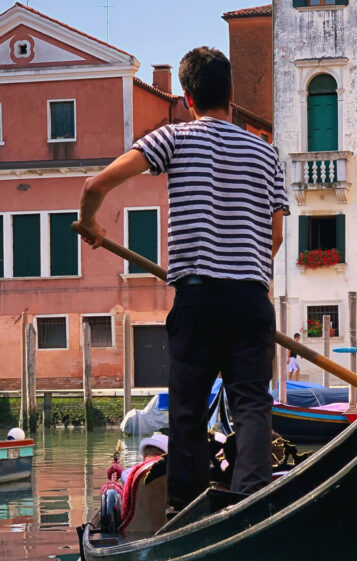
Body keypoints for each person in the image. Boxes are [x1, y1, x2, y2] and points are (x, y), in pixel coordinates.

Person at [78, 47, 287, 511]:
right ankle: (252, 498)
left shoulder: (173, 139)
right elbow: (274, 235)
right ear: (231, 95)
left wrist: (91, 224)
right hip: (252, 299)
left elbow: (94, 186)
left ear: (188, 98)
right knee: (252, 404)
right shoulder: (266, 153)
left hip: (198, 298)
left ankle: (187, 511)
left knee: (187, 410)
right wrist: (245, 265)